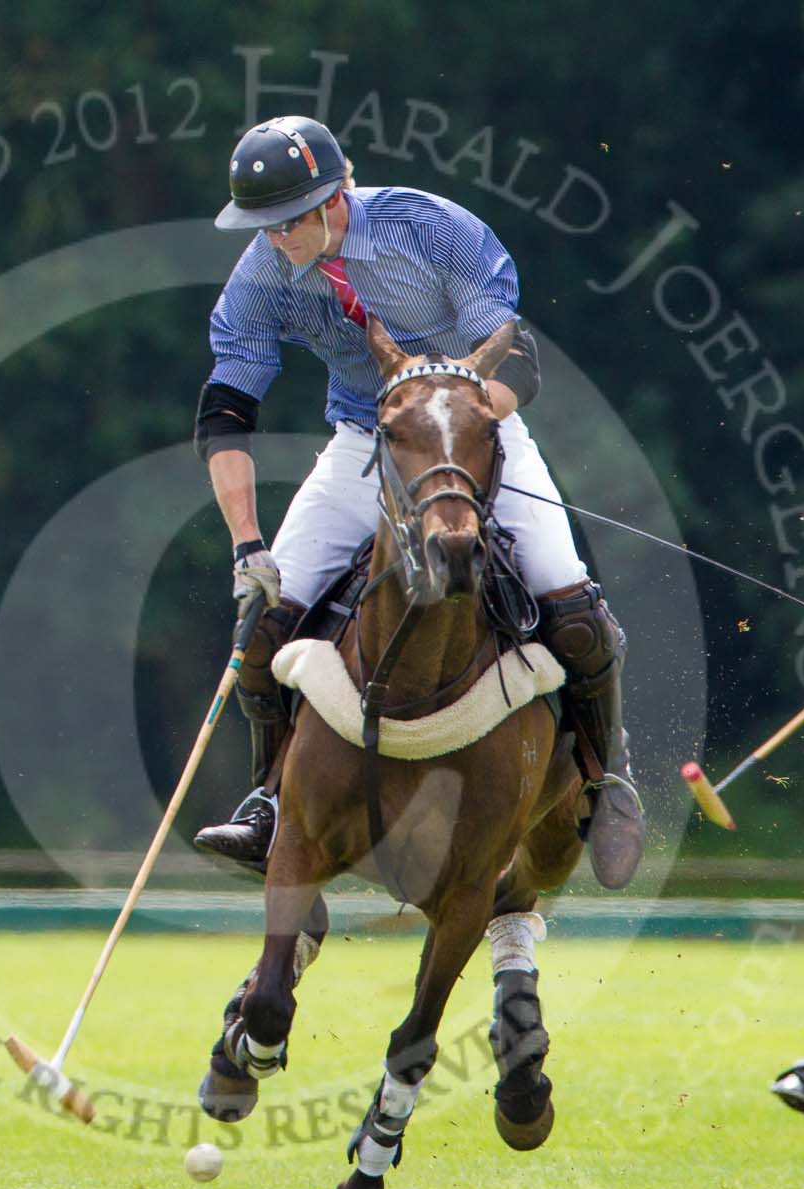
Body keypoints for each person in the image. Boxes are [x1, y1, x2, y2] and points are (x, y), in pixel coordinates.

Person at [188, 114, 645, 889]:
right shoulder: (262, 276)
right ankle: (268, 800)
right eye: (261, 225)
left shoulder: (430, 231)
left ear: (336, 198)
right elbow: (228, 407)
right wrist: (245, 544)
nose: (275, 239)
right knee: (264, 628)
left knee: (572, 608)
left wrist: (455, 439)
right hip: (364, 445)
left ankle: (608, 781)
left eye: (287, 221)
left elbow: (517, 362)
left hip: (473, 436)